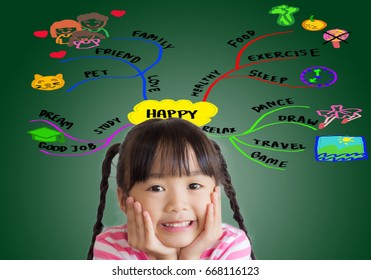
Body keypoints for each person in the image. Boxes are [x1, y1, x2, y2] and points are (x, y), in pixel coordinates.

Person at [87, 118, 256, 260]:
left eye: (194, 186)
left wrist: (189, 259)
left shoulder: (231, 245)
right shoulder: (111, 246)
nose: (177, 204)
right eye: (156, 188)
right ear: (124, 200)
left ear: (215, 194)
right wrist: (165, 260)